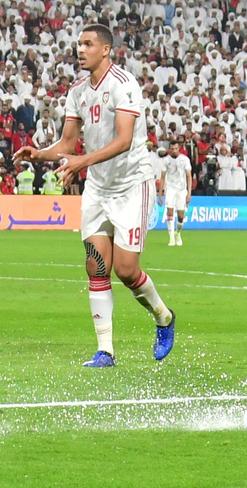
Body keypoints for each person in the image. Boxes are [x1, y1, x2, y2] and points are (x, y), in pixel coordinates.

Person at [14, 24, 175, 368]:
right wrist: (39, 154)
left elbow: (124, 141)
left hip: (132, 185)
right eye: (78, 44)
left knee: (127, 270)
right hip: (99, 188)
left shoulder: (124, 84)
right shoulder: (77, 91)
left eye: (87, 44)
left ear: (105, 49)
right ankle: (106, 351)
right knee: (96, 266)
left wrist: (81, 162)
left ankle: (163, 316)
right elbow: (68, 144)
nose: (80, 49)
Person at [158, 140, 192, 247]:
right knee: (169, 212)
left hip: (182, 190)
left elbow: (189, 176)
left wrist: (189, 193)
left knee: (181, 216)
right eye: (172, 149)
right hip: (170, 189)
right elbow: (162, 177)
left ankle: (178, 233)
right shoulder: (166, 160)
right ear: (169, 149)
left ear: (179, 148)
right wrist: (160, 193)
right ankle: (171, 237)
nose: (174, 151)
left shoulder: (185, 159)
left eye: (176, 148)